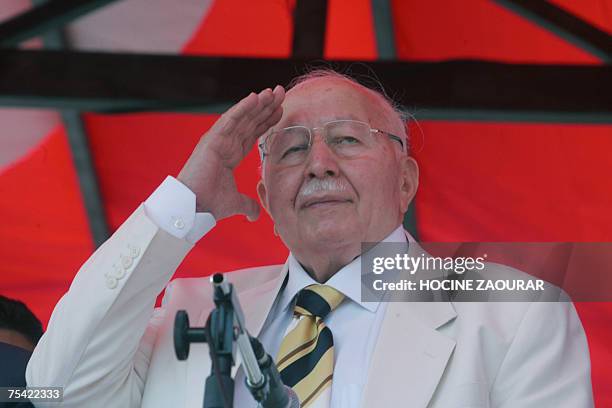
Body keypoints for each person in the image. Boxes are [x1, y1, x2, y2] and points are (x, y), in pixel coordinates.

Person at [26, 70, 593, 407]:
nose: (318, 164)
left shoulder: (512, 315)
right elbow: (56, 390)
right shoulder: (193, 308)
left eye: (347, 140)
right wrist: (185, 201)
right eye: (292, 148)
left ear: (405, 179)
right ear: (267, 195)